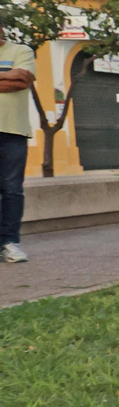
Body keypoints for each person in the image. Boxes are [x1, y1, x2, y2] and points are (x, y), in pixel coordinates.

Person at [0, 34, 34, 263]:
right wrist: (6, 75)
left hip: (13, 131)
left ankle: (9, 243)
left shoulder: (21, 51)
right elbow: (12, 79)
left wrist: (15, 77)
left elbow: (22, 80)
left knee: (12, 190)